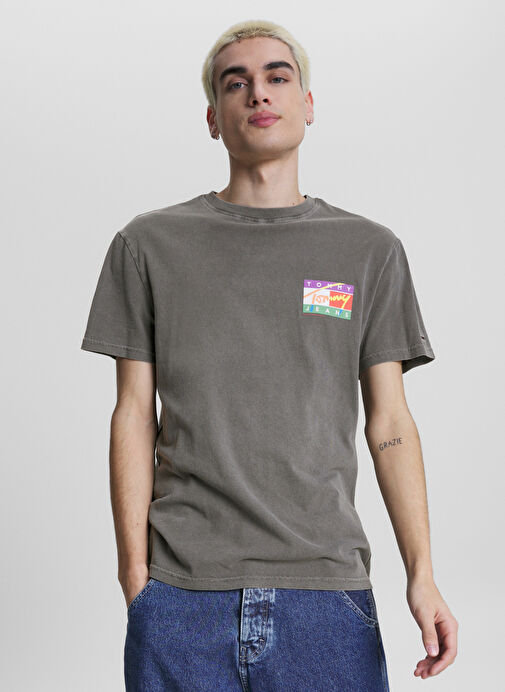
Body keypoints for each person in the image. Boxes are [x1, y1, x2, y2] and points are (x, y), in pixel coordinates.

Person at [80, 19, 458, 691]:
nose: (258, 92)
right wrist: (136, 577)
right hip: (181, 596)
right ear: (212, 118)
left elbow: (390, 422)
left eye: (277, 77)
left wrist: (421, 575)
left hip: (328, 599)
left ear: (307, 105)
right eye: (236, 83)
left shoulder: (367, 251)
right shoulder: (148, 245)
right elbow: (133, 414)